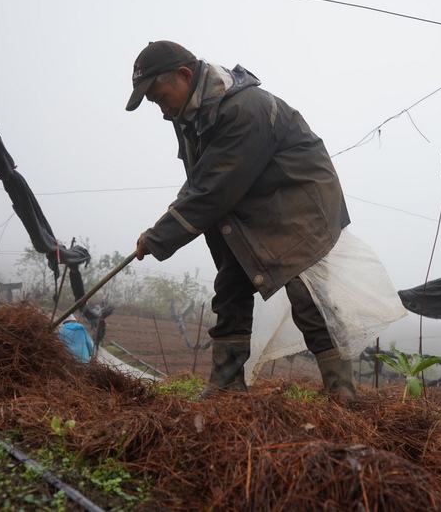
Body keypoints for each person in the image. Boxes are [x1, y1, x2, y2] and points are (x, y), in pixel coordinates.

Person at [128, 41, 402, 400]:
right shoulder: (190, 117)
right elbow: (200, 181)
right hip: (251, 201)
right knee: (230, 286)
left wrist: (161, 237)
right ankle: (226, 386)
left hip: (298, 201)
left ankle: (341, 393)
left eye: (162, 97)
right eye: (155, 104)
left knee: (307, 293)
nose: (163, 110)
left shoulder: (243, 108)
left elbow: (213, 190)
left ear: (184, 75)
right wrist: (160, 229)